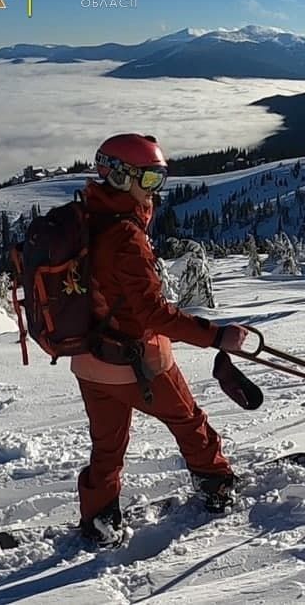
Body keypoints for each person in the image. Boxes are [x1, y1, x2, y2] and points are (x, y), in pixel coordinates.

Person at [72, 133, 251, 544]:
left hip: (88, 360)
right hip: (138, 360)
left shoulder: (85, 215)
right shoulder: (125, 237)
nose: (155, 191)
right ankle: (216, 483)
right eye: (149, 180)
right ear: (120, 177)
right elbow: (153, 313)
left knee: (107, 445)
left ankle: (99, 514)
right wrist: (217, 335)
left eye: (160, 180)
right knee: (188, 420)